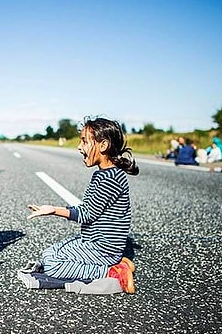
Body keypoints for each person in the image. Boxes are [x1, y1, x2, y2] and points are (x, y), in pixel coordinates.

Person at [17, 117, 139, 294]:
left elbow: (86, 214)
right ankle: (117, 262)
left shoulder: (110, 179)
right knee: (48, 254)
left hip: (102, 248)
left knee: (52, 266)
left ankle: (112, 271)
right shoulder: (104, 174)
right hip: (92, 241)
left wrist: (53, 210)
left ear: (103, 145)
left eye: (84, 141)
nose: (79, 147)